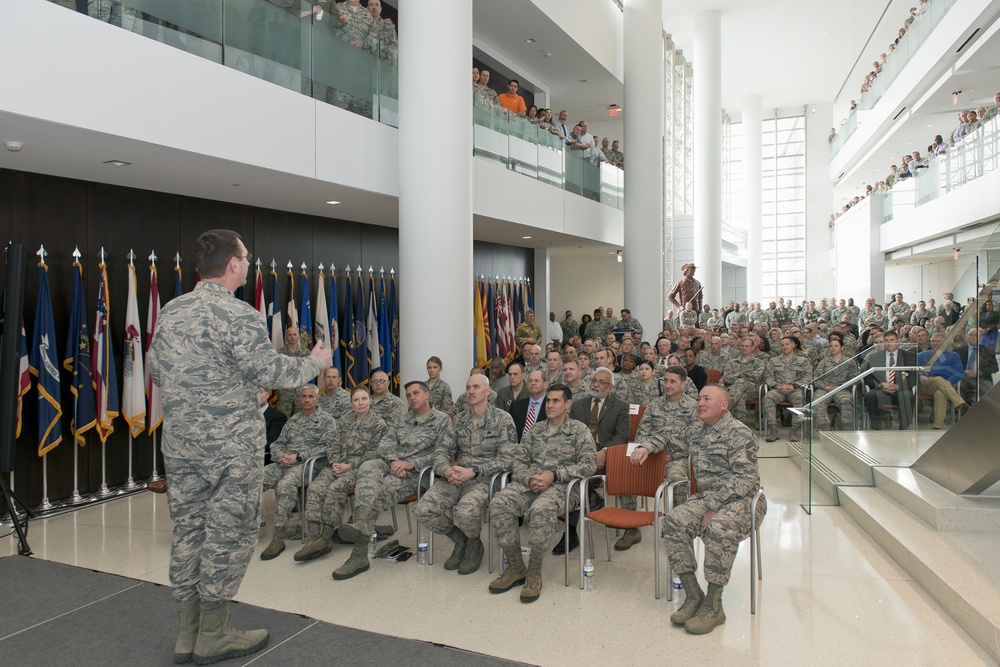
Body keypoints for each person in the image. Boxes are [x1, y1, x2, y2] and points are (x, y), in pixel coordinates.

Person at [148, 229, 331, 665]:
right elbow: (270, 370)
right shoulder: (239, 315)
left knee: (189, 530)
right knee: (228, 532)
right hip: (229, 448)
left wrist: (214, 392)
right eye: (245, 258)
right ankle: (214, 633)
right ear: (232, 264)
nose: (248, 264)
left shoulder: (172, 311)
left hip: (181, 445)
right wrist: (315, 363)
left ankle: (186, 633)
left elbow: (157, 370)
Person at [662, 385, 765, 635]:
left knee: (718, 527)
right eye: (698, 398)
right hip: (707, 497)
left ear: (724, 406)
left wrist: (712, 507)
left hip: (744, 500)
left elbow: (745, 478)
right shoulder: (696, 430)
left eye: (707, 399)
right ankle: (693, 594)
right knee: (673, 521)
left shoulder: (739, 432)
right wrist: (643, 446)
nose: (700, 403)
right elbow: (667, 441)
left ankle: (714, 604)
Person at [333, 381, 455, 580]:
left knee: (376, 496)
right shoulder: (403, 419)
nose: (412, 397)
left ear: (427, 394)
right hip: (393, 464)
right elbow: (386, 442)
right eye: (408, 395)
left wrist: (410, 464)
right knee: (368, 466)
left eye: (416, 393)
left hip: (417, 474)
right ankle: (361, 524)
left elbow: (442, 454)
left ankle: (358, 554)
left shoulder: (442, 420)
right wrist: (393, 460)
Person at [487, 384, 597, 603]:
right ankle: (517, 567)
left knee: (540, 510)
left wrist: (554, 475)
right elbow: (519, 461)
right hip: (532, 483)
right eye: (548, 401)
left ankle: (534, 572)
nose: (550, 405)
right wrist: (530, 478)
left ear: (568, 404)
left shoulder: (578, 430)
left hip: (563, 486)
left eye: (556, 401)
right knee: (499, 503)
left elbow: (589, 464)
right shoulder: (536, 430)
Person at [413, 374, 517, 575]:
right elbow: (442, 451)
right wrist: (446, 469)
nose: (470, 391)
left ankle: (474, 544)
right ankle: (461, 539)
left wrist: (475, 471)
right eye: (468, 387)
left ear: (488, 391)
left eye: (476, 387)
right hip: (457, 477)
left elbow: (509, 458)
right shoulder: (458, 420)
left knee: (465, 511)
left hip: (486, 479)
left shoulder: (502, 419)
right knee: (423, 509)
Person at [293, 386, 388, 562]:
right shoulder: (344, 421)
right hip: (336, 465)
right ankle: (314, 538)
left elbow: (376, 453)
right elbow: (333, 444)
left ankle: (326, 536)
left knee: (335, 489)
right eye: (356, 400)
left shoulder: (379, 424)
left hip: (357, 469)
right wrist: (334, 463)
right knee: (314, 488)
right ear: (351, 403)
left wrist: (348, 466)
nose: (360, 403)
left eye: (364, 399)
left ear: (370, 401)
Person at [259, 385, 339, 559]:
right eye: (303, 396)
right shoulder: (293, 420)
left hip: (310, 465)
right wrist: (280, 455)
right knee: (256, 478)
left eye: (310, 396)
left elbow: (328, 447)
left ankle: (278, 537)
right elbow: (277, 443)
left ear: (317, 399)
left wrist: (299, 456)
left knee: (285, 485)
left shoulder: (326, 420)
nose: (306, 400)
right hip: (285, 462)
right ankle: (243, 525)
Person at [626, 366, 698, 548]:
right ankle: (631, 528)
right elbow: (641, 434)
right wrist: (646, 449)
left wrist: (671, 455)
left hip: (677, 458)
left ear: (683, 384)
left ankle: (676, 526)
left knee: (676, 479)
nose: (667, 385)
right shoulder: (655, 405)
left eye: (673, 381)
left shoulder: (693, 408)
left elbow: (693, 442)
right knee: (626, 470)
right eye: (665, 380)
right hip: (651, 455)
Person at [862, 330, 917, 430]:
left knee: (908, 396)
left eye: (892, 340)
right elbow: (867, 377)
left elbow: (914, 377)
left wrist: (898, 386)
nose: (889, 343)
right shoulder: (874, 357)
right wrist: (880, 385)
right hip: (881, 389)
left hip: (901, 389)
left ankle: (904, 428)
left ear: (898, 341)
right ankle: (876, 427)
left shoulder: (910, 356)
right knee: (871, 396)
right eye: (886, 340)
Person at [763, 336, 812, 442]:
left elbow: (808, 376)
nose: (785, 347)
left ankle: (794, 430)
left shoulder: (803, 361)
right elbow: (768, 376)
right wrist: (777, 386)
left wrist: (794, 386)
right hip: (778, 389)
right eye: (782, 345)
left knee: (799, 398)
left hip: (795, 389)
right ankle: (774, 430)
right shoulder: (774, 361)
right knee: (768, 397)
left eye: (787, 344)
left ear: (794, 345)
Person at [917, 333, 971, 429]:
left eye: (938, 341)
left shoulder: (953, 355)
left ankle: (937, 426)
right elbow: (916, 370)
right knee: (938, 379)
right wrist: (921, 376)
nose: (935, 343)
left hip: (948, 384)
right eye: (933, 341)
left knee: (940, 393)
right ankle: (960, 403)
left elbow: (959, 373)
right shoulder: (921, 356)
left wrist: (949, 381)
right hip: (927, 384)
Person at [812, 336, 858, 430]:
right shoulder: (824, 361)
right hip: (825, 389)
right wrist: (825, 387)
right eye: (831, 346)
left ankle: (847, 429)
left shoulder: (849, 362)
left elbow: (855, 379)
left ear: (842, 347)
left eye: (836, 346)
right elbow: (816, 378)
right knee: (818, 402)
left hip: (842, 389)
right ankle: (824, 429)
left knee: (845, 401)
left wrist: (840, 387)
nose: (833, 348)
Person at [721, 338, 766, 423]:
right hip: (733, 390)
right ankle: (738, 424)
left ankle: (723, 410)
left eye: (747, 346)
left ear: (753, 348)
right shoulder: (731, 362)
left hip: (752, 391)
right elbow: (727, 378)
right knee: (740, 396)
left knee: (741, 382)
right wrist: (744, 375)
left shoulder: (758, 363)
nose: (744, 348)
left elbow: (756, 377)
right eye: (742, 346)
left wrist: (739, 376)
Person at [509, 370, 548, 441]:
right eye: (530, 381)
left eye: (536, 381)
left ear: (545, 384)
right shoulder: (516, 406)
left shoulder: (551, 406)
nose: (533, 383)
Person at [260, 388, 287, 466]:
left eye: (260, 392)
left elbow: (271, 442)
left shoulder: (278, 417)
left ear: (267, 395)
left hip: (261, 459)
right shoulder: (242, 415)